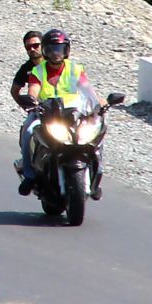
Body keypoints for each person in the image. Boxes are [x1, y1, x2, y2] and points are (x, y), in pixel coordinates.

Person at [12, 28, 97, 196]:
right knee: (28, 131)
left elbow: (88, 89)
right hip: (45, 113)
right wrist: (31, 101)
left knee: (96, 130)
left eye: (60, 49)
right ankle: (29, 175)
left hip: (73, 113)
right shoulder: (37, 70)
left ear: (66, 50)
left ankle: (96, 173)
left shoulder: (75, 69)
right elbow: (33, 89)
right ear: (46, 50)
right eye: (52, 49)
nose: (56, 54)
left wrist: (100, 104)